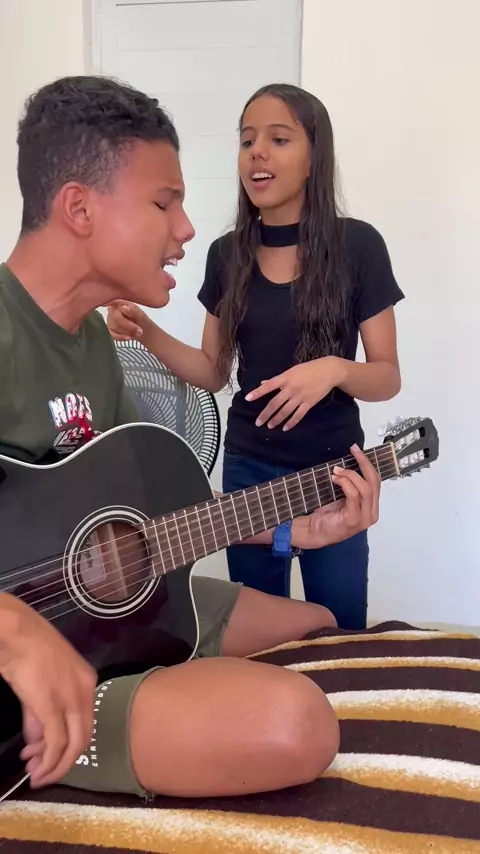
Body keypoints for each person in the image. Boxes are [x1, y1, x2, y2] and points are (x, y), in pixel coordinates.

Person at [0, 76, 381, 802]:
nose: (184, 229)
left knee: (321, 624)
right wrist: (17, 638)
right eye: (163, 203)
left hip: (103, 615)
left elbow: (141, 518)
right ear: (79, 208)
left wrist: (294, 531)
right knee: (297, 723)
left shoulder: (93, 345)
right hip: (21, 679)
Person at [107, 83, 404, 630]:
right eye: (247, 141)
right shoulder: (227, 254)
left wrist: (334, 369)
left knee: (340, 630)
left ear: (314, 157)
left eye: (278, 139)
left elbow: (387, 377)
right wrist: (146, 331)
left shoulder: (359, 246)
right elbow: (212, 370)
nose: (257, 153)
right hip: (250, 472)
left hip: (336, 472)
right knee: (260, 638)